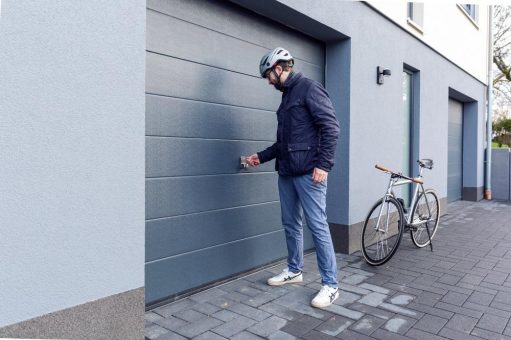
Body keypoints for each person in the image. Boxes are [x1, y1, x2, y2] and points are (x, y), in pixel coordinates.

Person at [246, 47, 341, 308]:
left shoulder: (309, 88)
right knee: (290, 224)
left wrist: (324, 165)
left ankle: (331, 285)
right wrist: (260, 157)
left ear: (278, 68)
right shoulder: (287, 97)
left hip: (310, 173)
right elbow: (283, 143)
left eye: (268, 75)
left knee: (317, 226)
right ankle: (294, 270)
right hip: (287, 172)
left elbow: (331, 127)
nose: (268, 81)